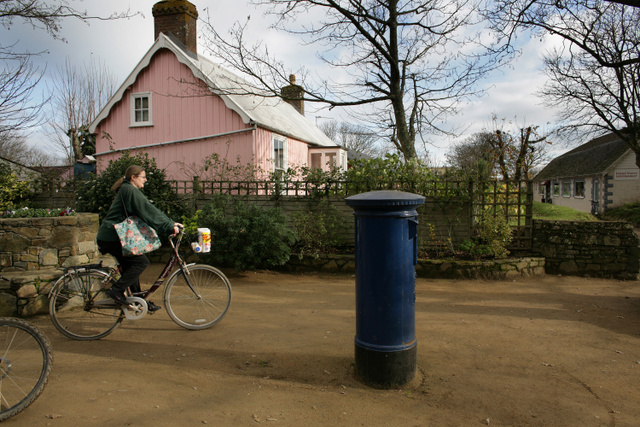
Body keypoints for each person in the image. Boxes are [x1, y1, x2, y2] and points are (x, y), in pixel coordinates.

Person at [96, 165, 182, 312]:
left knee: (133, 264)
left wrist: (170, 223)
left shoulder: (127, 189)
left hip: (111, 236)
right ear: (133, 177)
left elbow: (146, 212)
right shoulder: (130, 190)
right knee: (141, 262)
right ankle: (115, 291)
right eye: (143, 176)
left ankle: (137, 300)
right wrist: (168, 225)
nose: (146, 179)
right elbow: (147, 209)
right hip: (112, 237)